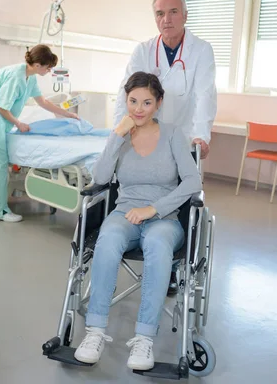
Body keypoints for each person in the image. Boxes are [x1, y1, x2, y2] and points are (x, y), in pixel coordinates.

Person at [73, 72, 202, 370]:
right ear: (126, 100)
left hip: (165, 218)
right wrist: (116, 136)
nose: (139, 109)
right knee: (108, 240)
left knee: (157, 244)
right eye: (133, 101)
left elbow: (193, 182)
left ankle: (144, 339)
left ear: (158, 103)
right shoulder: (121, 135)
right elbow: (101, 178)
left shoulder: (172, 134)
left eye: (146, 102)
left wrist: (153, 209)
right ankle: (94, 332)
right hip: (125, 213)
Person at [113, 0, 217, 295]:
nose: (166, 19)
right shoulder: (144, 50)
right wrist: (120, 131)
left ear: (184, 16)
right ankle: (138, 246)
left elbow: (204, 95)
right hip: (145, 138)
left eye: (172, 12)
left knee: (177, 203)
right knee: (139, 196)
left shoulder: (201, 50)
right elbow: (126, 92)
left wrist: (202, 135)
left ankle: (170, 266)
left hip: (183, 138)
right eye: (159, 14)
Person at [0, 44, 78, 222]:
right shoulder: (16, 77)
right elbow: (2, 107)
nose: (49, 71)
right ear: (38, 65)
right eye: (48, 67)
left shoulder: (29, 78)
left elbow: (43, 101)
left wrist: (66, 113)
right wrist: (18, 123)